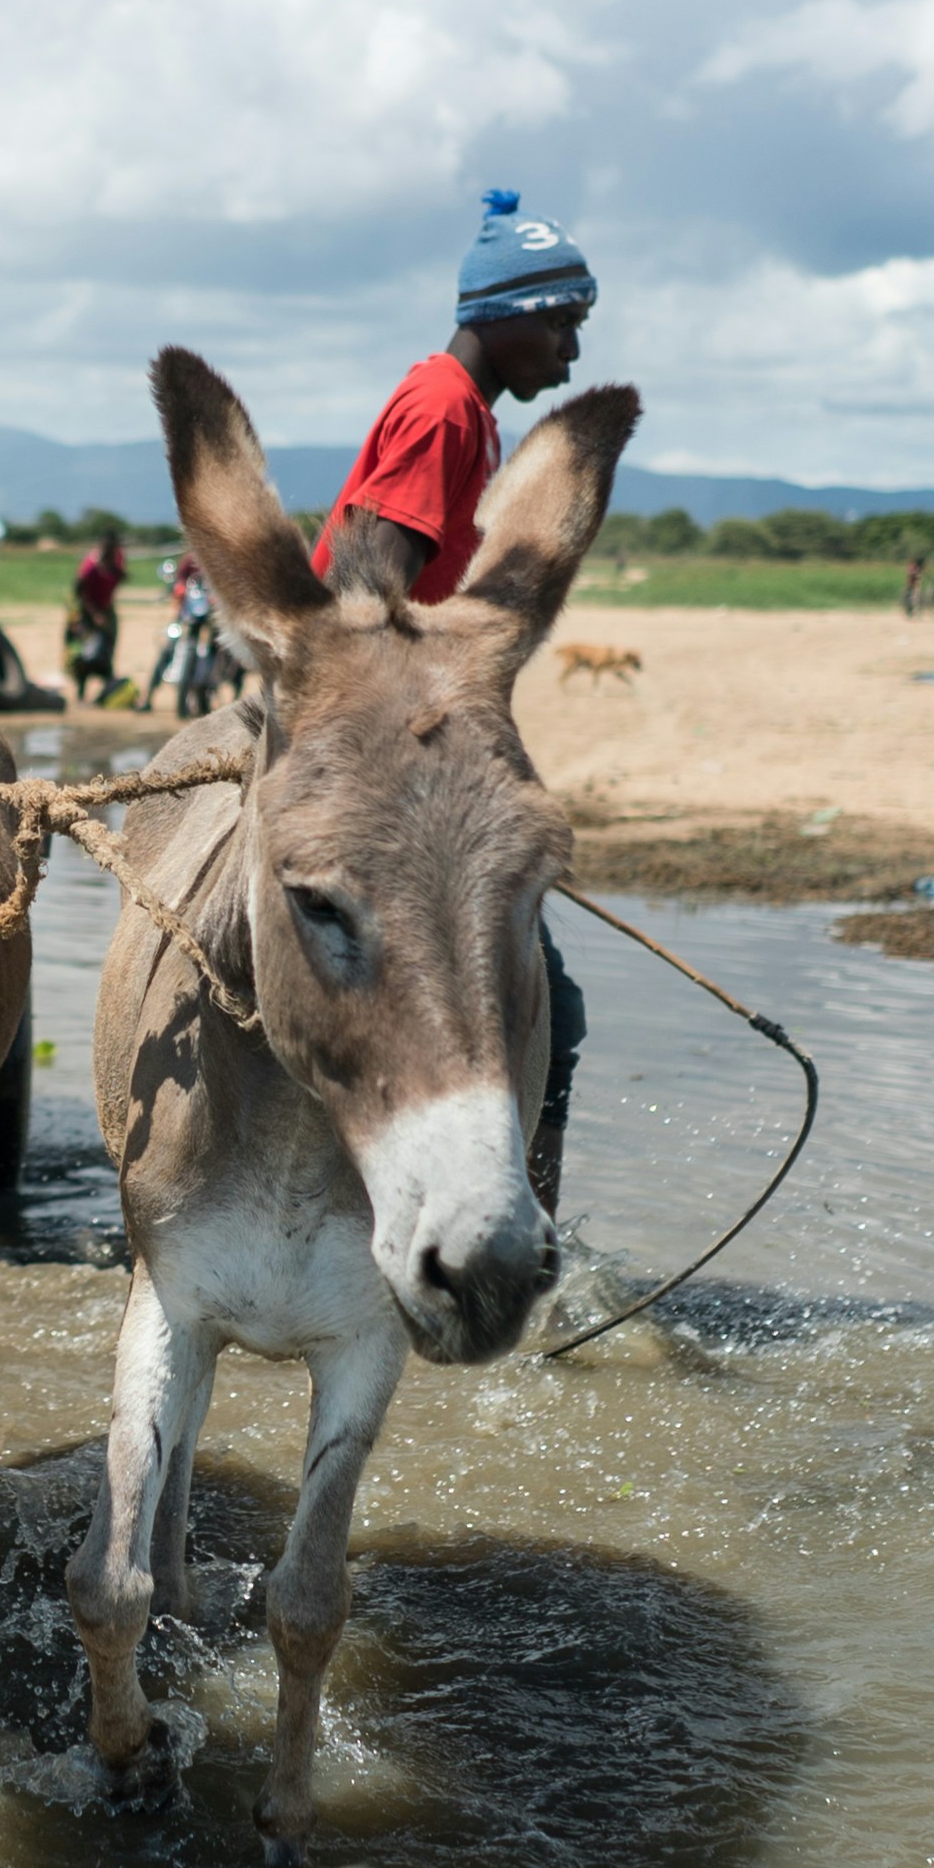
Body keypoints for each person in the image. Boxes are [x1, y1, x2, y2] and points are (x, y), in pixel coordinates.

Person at [313, 188, 599, 1208]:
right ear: (504, 312)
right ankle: (525, 1248)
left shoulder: (455, 406)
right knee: (546, 1009)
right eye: (560, 323)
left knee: (544, 1004)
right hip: (381, 745)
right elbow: (365, 581)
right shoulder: (443, 411)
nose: (568, 353)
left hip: (392, 730)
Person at [67, 527, 125, 704]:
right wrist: (94, 615)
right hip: (88, 612)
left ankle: (106, 693)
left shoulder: (116, 562)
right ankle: (81, 694)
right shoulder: (90, 566)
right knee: (86, 655)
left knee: (107, 650)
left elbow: (121, 578)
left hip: (106, 611)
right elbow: (79, 593)